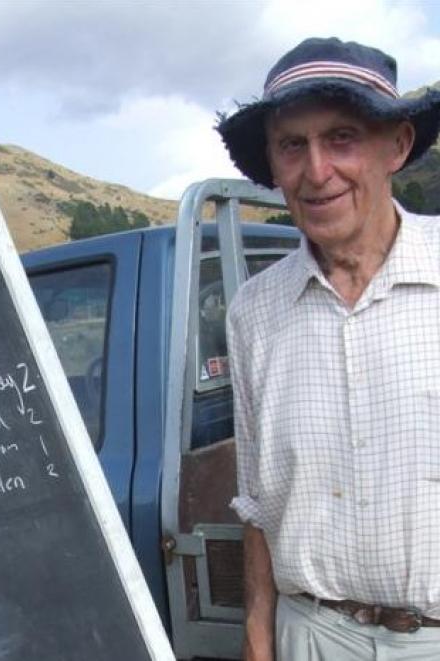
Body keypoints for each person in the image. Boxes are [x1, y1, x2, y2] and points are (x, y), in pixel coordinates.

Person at [216, 37, 440, 661]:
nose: (316, 173)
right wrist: (260, 637)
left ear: (396, 146)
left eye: (342, 138)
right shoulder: (254, 311)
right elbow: (258, 499)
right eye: (293, 145)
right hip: (310, 635)